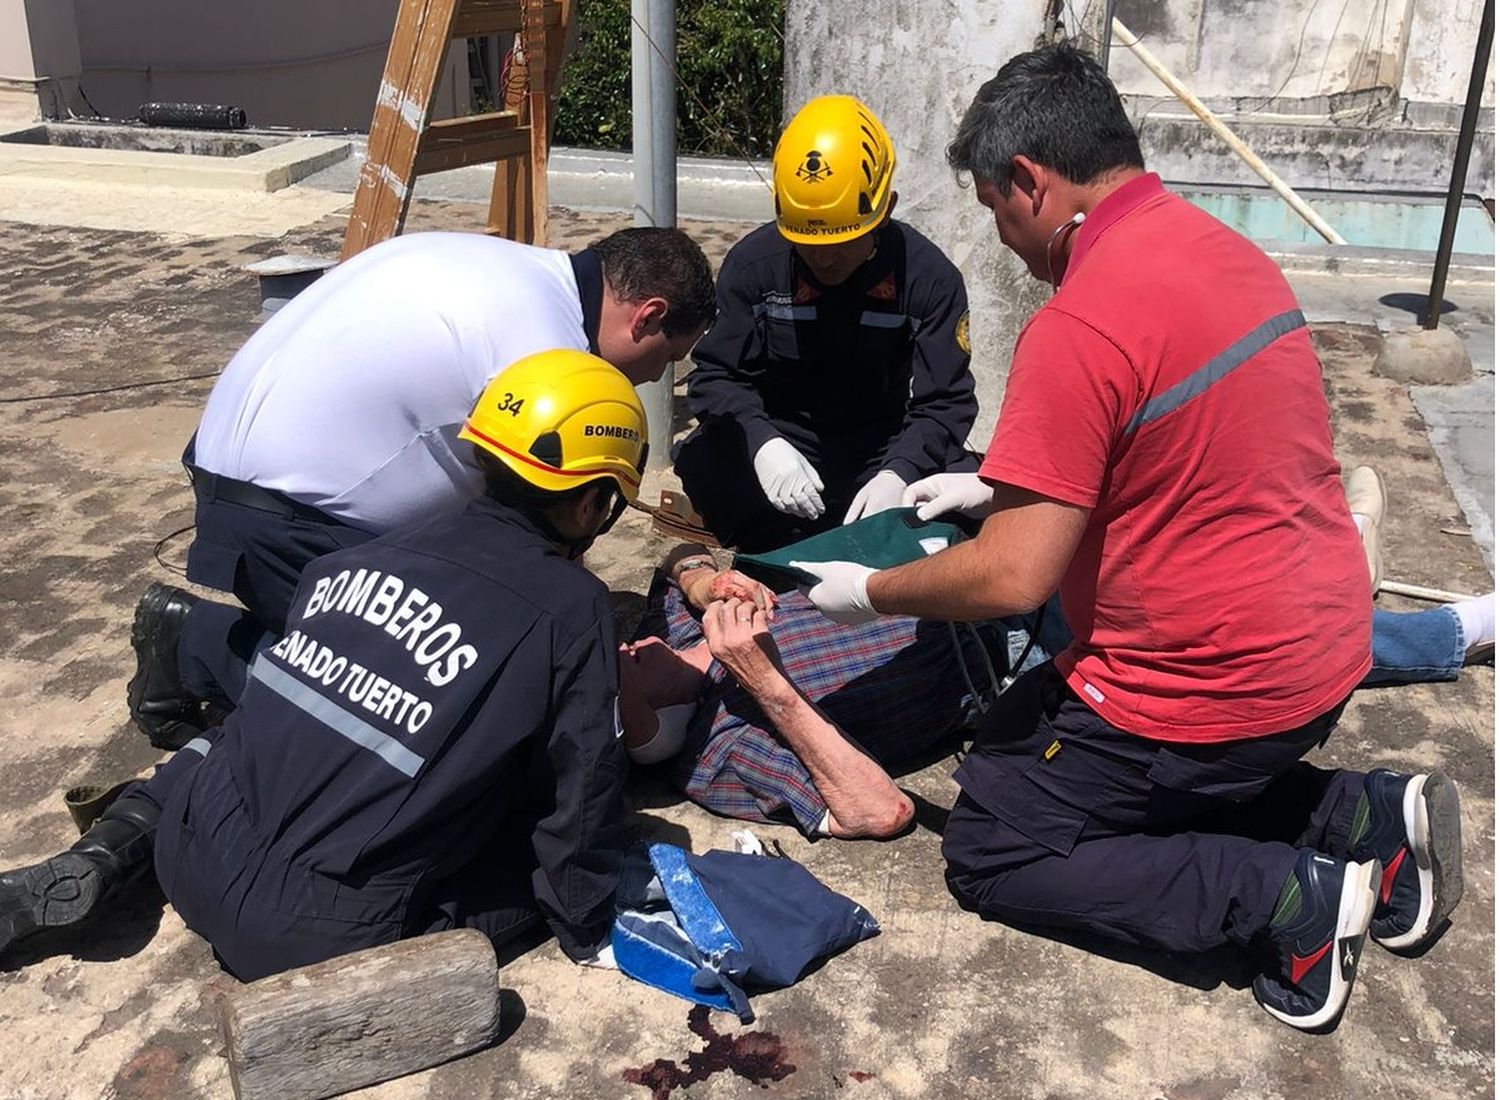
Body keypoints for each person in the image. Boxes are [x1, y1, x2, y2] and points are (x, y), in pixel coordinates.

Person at [789, 44, 1463, 1031]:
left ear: (1031, 180)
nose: (1007, 240)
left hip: (1214, 679)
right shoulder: (1224, 250)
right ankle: (1361, 817)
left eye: (995, 210)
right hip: (1327, 643)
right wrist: (998, 484)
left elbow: (1017, 578)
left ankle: (1287, 903)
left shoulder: (1080, 319)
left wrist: (868, 590)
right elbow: (1179, 446)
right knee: (1051, 756)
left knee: (996, 836)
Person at [1, 351, 647, 979]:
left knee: (252, 727)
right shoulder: (572, 609)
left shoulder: (372, 548)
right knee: (522, 851)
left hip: (193, 853)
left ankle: (117, 842)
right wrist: (586, 919)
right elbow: (580, 797)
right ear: (591, 505)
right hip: (317, 936)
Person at [128, 227, 715, 751]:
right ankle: (193, 642)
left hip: (231, 472)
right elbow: (535, 554)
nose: (656, 378)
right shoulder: (547, 353)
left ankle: (219, 636)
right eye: (666, 357)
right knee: (428, 714)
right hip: (285, 524)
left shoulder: (512, 268)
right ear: (647, 317)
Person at [620, 542, 1491, 843]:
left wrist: (699, 580)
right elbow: (877, 811)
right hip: (1010, 667)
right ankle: (1452, 631)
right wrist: (767, 684)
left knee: (1178, 560)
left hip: (952, 580)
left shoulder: (684, 628)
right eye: (629, 665)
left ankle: (1337, 572)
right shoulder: (719, 755)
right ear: (645, 728)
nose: (637, 644)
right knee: (1209, 628)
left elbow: (671, 565)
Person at [672, 95, 978, 552]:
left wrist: (901, 472)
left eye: (842, 241)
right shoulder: (754, 267)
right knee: (702, 459)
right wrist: (761, 442)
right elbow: (716, 378)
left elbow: (946, 401)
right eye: (806, 243)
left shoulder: (928, 279)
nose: (824, 257)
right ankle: (766, 545)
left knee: (968, 487)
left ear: (885, 210)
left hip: (883, 447)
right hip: (784, 444)